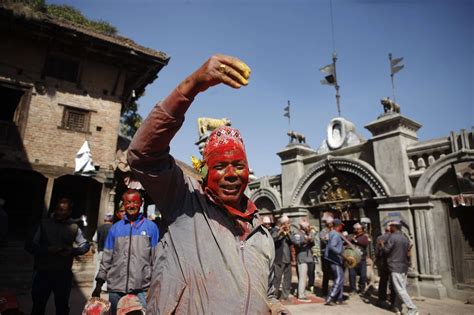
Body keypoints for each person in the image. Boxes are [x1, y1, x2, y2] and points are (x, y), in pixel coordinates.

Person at [127, 54, 289, 314]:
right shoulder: (183, 201)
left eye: (238, 166)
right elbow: (142, 154)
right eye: (220, 166)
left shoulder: (262, 235)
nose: (231, 174)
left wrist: (274, 307)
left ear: (248, 171)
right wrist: (192, 85)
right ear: (205, 172)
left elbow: (268, 293)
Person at [92, 189, 159, 315]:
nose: (132, 205)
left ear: (141, 203)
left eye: (135, 202)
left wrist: (154, 285)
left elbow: (156, 259)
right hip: (116, 287)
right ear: (124, 204)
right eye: (128, 202)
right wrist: (99, 284)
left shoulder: (151, 228)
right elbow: (106, 258)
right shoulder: (115, 229)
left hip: (142, 288)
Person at [27, 197, 90, 315]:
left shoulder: (74, 227)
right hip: (42, 272)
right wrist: (46, 250)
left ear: (69, 212)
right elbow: (30, 245)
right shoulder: (44, 224)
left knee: (62, 306)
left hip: (63, 273)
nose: (60, 212)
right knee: (38, 305)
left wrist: (72, 251)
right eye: (58, 209)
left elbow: (85, 245)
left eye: (63, 210)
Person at [381, 221, 418, 315]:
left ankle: (412, 308)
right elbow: (407, 253)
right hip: (404, 266)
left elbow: (386, 250)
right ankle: (397, 307)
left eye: (391, 226)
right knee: (401, 288)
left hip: (395, 266)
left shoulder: (392, 237)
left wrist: (381, 245)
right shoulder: (404, 238)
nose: (390, 228)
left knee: (399, 289)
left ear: (394, 227)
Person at [291, 220, 315, 302]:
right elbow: (296, 243)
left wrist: (310, 237)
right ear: (303, 227)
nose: (308, 227)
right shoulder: (297, 233)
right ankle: (301, 295)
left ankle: (302, 292)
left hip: (308, 257)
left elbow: (313, 243)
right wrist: (305, 240)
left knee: (305, 277)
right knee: (302, 277)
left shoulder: (307, 233)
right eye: (307, 226)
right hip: (301, 257)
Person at [324, 218, 345, 306]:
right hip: (335, 259)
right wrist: (340, 253)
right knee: (339, 278)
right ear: (339, 226)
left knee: (340, 278)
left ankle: (338, 298)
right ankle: (330, 298)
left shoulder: (332, 233)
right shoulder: (335, 234)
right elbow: (332, 247)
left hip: (334, 259)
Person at [272, 215, 293, 301]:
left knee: (288, 279)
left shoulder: (289, 232)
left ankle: (285, 296)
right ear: (282, 223)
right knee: (277, 278)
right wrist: (280, 232)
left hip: (288, 259)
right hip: (279, 259)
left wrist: (288, 233)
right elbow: (273, 239)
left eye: (288, 223)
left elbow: (293, 241)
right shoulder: (275, 230)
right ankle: (274, 296)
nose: (288, 224)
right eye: (286, 223)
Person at [92, 212, 114, 291]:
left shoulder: (99, 228)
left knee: (99, 268)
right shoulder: (114, 228)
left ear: (104, 219)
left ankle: (96, 287)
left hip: (101, 251)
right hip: (111, 252)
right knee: (110, 269)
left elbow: (94, 239)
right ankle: (106, 287)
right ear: (112, 220)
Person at [348, 222, 369, 295]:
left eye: (359, 229)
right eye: (356, 229)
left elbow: (365, 243)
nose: (357, 230)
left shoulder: (364, 236)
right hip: (352, 258)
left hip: (362, 258)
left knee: (363, 275)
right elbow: (346, 242)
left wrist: (355, 240)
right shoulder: (351, 236)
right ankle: (352, 289)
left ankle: (361, 288)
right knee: (352, 275)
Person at [376, 223, 393, 308]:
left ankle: (382, 299)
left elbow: (377, 252)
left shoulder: (380, 238)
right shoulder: (395, 238)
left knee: (383, 281)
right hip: (393, 262)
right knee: (393, 282)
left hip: (383, 262)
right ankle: (393, 300)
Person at [319, 216, 334, 297]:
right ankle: (324, 292)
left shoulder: (334, 231)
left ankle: (334, 292)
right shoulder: (323, 232)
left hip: (333, 255)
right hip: (326, 255)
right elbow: (324, 240)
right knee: (326, 274)